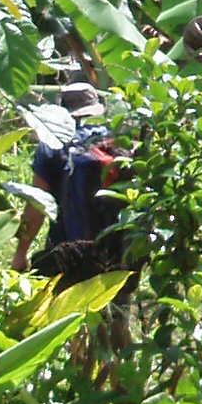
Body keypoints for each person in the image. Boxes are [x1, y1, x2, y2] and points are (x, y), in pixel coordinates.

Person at [14, 83, 129, 282]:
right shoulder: (118, 141)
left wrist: (20, 254)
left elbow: (36, 206)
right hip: (115, 254)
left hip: (67, 254)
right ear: (97, 107)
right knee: (115, 307)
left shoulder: (52, 145)